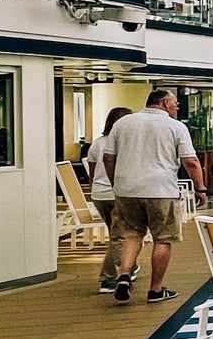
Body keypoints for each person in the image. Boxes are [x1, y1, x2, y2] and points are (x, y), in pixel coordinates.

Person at [104, 88, 206, 305]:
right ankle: (155, 290)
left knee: (131, 235)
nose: (177, 107)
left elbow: (108, 158)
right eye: (175, 103)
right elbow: (191, 161)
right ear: (164, 102)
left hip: (127, 190)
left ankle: (124, 276)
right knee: (163, 238)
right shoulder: (176, 126)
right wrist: (200, 188)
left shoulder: (123, 124)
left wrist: (117, 183)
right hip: (161, 190)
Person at [86, 106, 135, 294]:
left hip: (99, 194)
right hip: (117, 194)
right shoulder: (124, 144)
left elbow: (91, 172)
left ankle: (129, 266)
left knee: (118, 233)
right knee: (120, 236)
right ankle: (109, 278)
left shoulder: (97, 143)